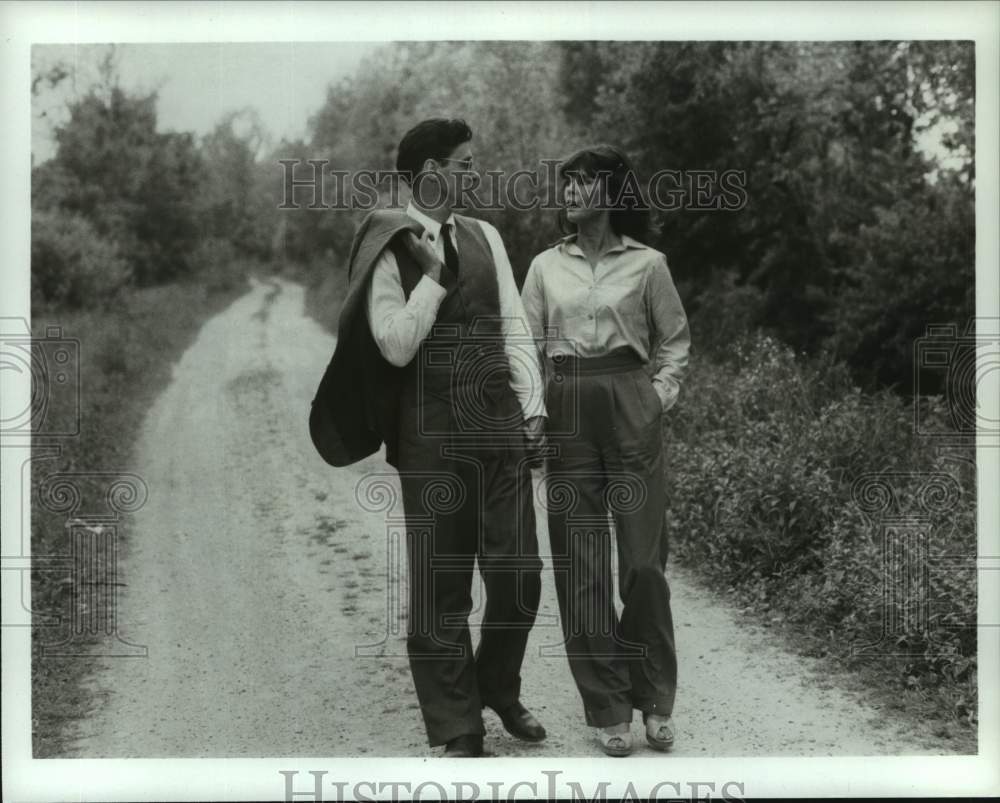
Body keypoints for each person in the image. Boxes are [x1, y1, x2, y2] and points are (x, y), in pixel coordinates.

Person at [309, 118, 547, 758]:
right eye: (464, 163)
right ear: (432, 173)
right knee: (442, 586)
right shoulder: (388, 243)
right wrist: (436, 278)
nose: (474, 173)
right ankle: (457, 724)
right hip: (431, 435)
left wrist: (533, 408)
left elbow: (514, 326)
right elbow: (392, 344)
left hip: (498, 425)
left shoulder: (488, 235)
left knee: (520, 573)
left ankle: (496, 683)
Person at [520, 144, 690, 757]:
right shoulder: (543, 267)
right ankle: (608, 706)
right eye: (565, 184)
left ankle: (654, 696)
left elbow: (673, 344)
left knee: (643, 565)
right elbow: (525, 348)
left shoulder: (648, 265)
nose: (569, 194)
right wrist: (535, 414)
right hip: (567, 407)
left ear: (612, 194)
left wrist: (654, 399)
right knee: (581, 565)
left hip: (629, 402)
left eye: (583, 184)